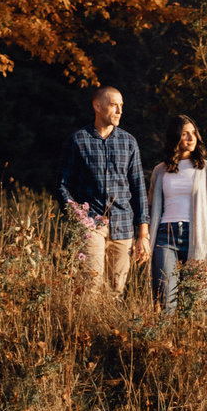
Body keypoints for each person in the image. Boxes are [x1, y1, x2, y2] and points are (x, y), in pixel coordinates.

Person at [59, 85, 150, 297]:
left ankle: (108, 330)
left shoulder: (129, 142)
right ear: (97, 106)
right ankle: (86, 328)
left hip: (123, 225)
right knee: (90, 285)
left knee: (116, 289)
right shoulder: (79, 140)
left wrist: (143, 234)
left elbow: (138, 187)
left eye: (121, 106)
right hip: (91, 223)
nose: (120, 111)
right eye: (113, 105)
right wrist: (78, 216)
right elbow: (63, 184)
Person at [147, 114, 207, 310]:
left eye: (193, 133)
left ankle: (188, 340)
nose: (191, 138)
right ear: (175, 138)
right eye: (184, 134)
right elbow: (150, 209)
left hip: (197, 238)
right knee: (166, 302)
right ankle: (164, 341)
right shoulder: (160, 171)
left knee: (195, 302)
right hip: (165, 237)